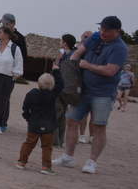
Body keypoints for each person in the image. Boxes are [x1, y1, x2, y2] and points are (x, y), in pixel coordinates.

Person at [53, 17, 129, 174]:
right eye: (101, 29)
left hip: (103, 93)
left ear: (117, 32)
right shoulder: (95, 37)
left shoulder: (120, 48)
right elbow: (77, 55)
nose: (102, 33)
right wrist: (72, 72)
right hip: (83, 90)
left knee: (99, 126)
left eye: (106, 31)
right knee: (71, 121)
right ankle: (68, 156)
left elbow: (110, 71)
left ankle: (91, 161)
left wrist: (87, 66)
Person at [0, 13, 27, 131]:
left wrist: (15, 75)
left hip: (6, 74)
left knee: (3, 100)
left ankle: (1, 123)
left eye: (6, 24)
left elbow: (22, 57)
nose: (4, 25)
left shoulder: (19, 39)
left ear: (13, 24)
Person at [16, 69, 64, 175]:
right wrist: (56, 71)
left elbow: (25, 107)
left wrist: (28, 118)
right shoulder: (53, 93)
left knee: (29, 143)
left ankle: (21, 162)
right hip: (48, 124)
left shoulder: (32, 94)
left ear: (38, 83)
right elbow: (61, 84)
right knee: (47, 146)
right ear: (53, 85)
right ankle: (46, 166)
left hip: (34, 123)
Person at [52, 34, 77, 147]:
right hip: (66, 88)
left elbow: (66, 72)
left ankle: (55, 140)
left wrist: (57, 68)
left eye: (61, 41)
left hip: (62, 87)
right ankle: (60, 141)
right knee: (62, 116)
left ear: (65, 43)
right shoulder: (67, 55)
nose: (60, 42)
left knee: (57, 112)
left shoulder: (71, 56)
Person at [77, 30, 94, 143]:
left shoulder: (95, 51)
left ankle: (92, 136)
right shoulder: (77, 50)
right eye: (85, 36)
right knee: (83, 112)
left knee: (94, 113)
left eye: (89, 37)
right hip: (81, 84)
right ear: (82, 36)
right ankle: (82, 135)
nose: (87, 38)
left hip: (94, 85)